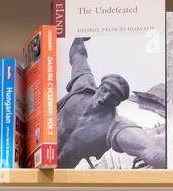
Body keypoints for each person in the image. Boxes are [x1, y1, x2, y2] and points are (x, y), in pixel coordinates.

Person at [56, 37, 165, 169]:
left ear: (117, 103)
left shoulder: (115, 126)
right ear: (99, 87)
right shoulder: (82, 87)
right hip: (35, 156)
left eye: (113, 97)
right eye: (105, 90)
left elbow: (150, 148)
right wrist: (79, 36)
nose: (105, 97)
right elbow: (78, 55)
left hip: (60, 176)